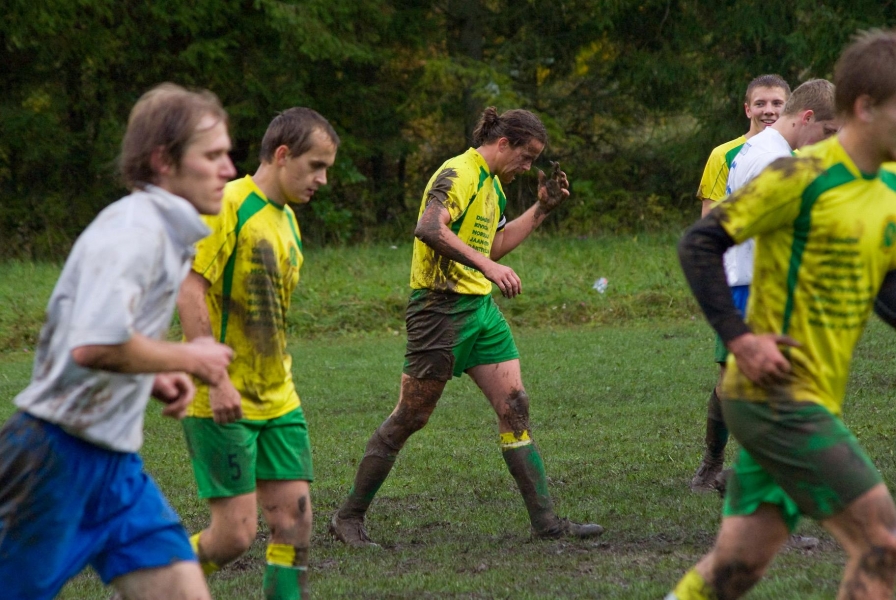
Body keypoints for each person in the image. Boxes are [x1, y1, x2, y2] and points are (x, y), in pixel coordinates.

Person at [669, 30, 896, 599]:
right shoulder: (800, 175)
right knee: (884, 546)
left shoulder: (889, 190)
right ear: (865, 107)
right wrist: (741, 341)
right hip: (773, 396)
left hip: (816, 395)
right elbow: (700, 243)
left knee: (734, 569)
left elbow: (886, 291)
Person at [0, 83, 236, 600]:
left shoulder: (168, 233)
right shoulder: (134, 231)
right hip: (54, 459)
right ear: (163, 161)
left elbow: (101, 343)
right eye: (213, 156)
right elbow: (93, 345)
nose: (229, 170)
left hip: (116, 467)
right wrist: (188, 355)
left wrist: (154, 374)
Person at [329, 106, 604, 548]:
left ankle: (546, 524)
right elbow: (429, 228)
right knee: (411, 417)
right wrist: (488, 267)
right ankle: (348, 518)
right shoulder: (458, 173)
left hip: (480, 310)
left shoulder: (492, 184)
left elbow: (492, 244)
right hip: (438, 310)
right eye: (527, 156)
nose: (529, 166)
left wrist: (542, 209)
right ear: (503, 144)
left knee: (515, 405)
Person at [177, 107, 339, 600]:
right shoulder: (228, 203)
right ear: (282, 154)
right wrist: (218, 380)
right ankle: (150, 587)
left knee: (295, 522)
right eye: (315, 166)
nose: (323, 180)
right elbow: (189, 289)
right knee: (233, 537)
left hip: (279, 397)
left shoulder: (287, 221)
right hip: (223, 398)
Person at [690, 75, 792, 493]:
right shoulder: (725, 155)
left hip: (780, 281)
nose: (769, 110)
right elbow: (709, 222)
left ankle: (763, 468)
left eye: (777, 104)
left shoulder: (795, 153)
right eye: (761, 103)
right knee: (729, 380)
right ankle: (712, 461)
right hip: (737, 279)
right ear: (746, 108)